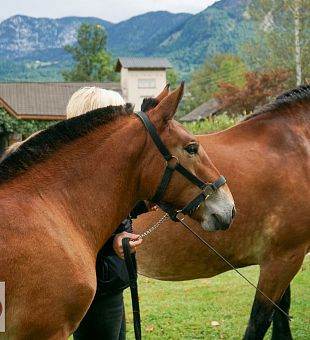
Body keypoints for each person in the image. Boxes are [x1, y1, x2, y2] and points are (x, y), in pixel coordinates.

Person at [67, 87, 152, 340]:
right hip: (96, 288)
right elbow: (74, 234)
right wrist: (111, 244)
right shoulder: (77, 173)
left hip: (110, 281)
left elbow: (104, 214)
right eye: (117, 116)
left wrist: (141, 205)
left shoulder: (98, 166)